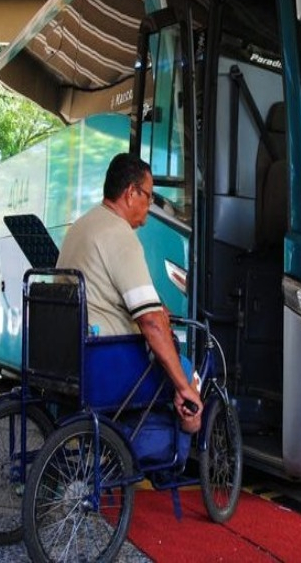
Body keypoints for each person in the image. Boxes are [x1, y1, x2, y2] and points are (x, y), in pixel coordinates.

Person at [56, 152, 202, 432]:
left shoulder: (82, 226)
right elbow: (150, 322)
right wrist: (184, 387)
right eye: (148, 197)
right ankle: (172, 460)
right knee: (183, 372)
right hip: (104, 363)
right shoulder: (120, 236)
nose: (148, 212)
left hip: (69, 355)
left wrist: (156, 311)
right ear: (131, 193)